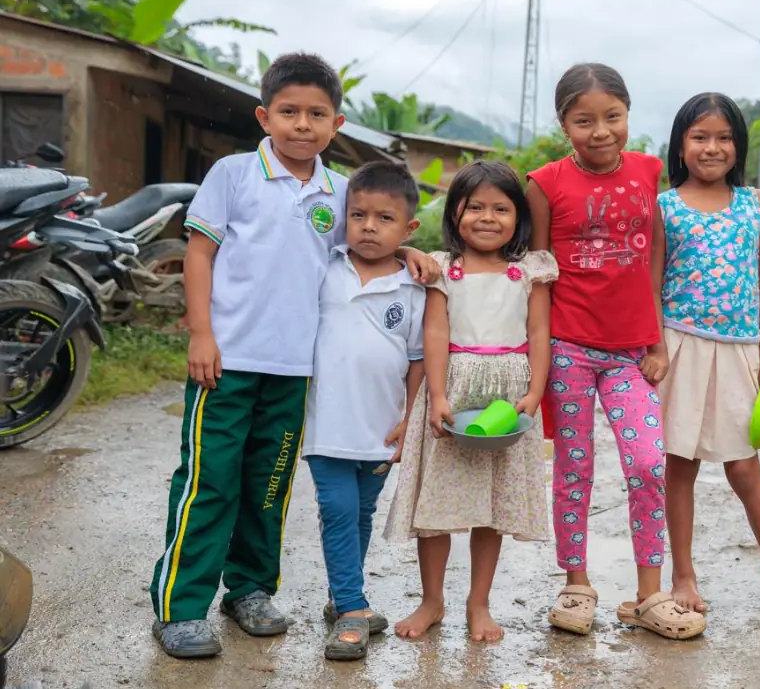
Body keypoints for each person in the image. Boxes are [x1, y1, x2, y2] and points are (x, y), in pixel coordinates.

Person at [149, 52, 438, 659]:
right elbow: (198, 255)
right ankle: (180, 605)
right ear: (264, 115)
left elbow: (370, 243)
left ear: (336, 124)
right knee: (210, 481)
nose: (302, 125)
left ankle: (249, 589)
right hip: (226, 362)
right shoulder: (233, 174)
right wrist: (201, 334)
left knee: (268, 485)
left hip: (293, 372)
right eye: (289, 112)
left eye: (316, 114)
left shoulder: (339, 191)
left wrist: (412, 257)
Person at [527, 63, 706, 640]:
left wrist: (654, 340)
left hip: (632, 356)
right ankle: (576, 584)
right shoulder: (545, 182)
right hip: (568, 351)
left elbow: (655, 263)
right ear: (564, 124)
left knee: (650, 465)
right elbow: (537, 275)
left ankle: (648, 595)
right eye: (584, 121)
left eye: (612, 117)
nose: (600, 131)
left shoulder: (649, 172)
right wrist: (539, 360)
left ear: (628, 115)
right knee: (573, 467)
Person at [383, 159, 557, 643]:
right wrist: (436, 395)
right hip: (453, 389)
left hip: (508, 392)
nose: (487, 217)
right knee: (435, 503)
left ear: (517, 217)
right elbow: (435, 331)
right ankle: (431, 600)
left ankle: (478, 602)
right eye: (474, 206)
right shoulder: (443, 269)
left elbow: (540, 332)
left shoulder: (529, 272)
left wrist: (535, 391)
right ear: (454, 212)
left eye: (500, 208)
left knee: (493, 505)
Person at [657, 92, 760, 615]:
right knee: (680, 466)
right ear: (680, 145)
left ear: (739, 146)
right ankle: (683, 576)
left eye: (723, 137)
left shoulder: (756, 205)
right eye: (699, 137)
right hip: (680, 348)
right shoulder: (664, 206)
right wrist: (655, 348)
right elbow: (652, 287)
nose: (712, 147)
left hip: (741, 350)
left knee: (744, 469)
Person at [301, 162, 426, 660]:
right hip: (327, 424)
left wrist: (409, 420)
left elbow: (418, 362)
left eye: (384, 218)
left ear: (408, 229)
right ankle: (353, 608)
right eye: (358, 215)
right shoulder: (325, 267)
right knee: (337, 510)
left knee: (362, 512)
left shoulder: (414, 287)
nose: (369, 227)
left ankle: (340, 594)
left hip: (381, 429)